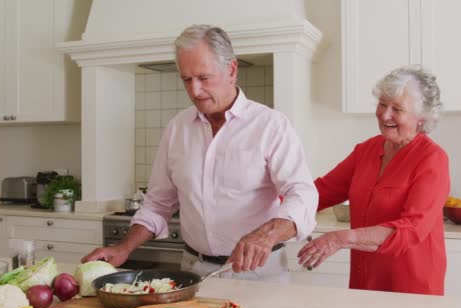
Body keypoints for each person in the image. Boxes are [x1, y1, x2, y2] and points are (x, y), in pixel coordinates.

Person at [82, 24, 318, 283]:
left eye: (204, 78)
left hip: (259, 273)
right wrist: (123, 247)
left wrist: (267, 234)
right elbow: (158, 203)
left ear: (231, 70)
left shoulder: (271, 125)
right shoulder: (177, 128)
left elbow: (303, 194)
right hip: (194, 271)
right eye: (186, 79)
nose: (194, 91)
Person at [298, 65, 449, 295]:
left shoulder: (432, 159)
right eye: (382, 104)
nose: (385, 114)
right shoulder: (366, 151)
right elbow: (320, 191)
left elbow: (411, 229)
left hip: (410, 285)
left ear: (421, 118)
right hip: (365, 280)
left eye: (397, 108)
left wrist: (341, 238)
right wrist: (268, 207)